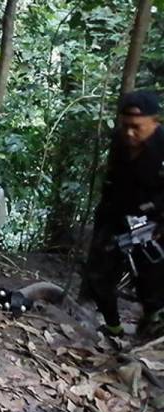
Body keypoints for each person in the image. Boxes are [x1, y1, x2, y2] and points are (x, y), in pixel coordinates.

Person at [81, 90, 164, 338]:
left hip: (155, 221)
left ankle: (151, 321)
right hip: (117, 216)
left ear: (154, 121)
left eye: (136, 127)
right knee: (99, 273)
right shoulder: (120, 140)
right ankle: (113, 328)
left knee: (151, 278)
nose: (129, 133)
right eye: (125, 125)